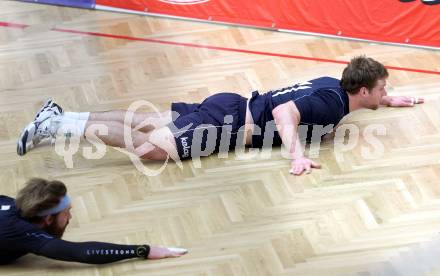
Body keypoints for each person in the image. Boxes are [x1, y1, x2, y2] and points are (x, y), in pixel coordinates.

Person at [17, 56, 424, 175]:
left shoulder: (333, 84)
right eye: (382, 89)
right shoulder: (332, 105)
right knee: (148, 149)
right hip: (227, 126)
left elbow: (347, 95)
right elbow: (286, 113)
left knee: (148, 121)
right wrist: (296, 154)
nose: (385, 94)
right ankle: (56, 125)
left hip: (229, 103)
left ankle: (62, 116)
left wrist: (389, 101)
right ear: (363, 90)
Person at [0, 178, 187, 265]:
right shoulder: (23, 233)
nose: (70, 218)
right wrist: (144, 250)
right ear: (48, 218)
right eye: (66, 213)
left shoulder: (9, 204)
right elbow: (82, 253)